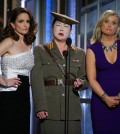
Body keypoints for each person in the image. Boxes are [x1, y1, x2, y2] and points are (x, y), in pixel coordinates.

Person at [31, 12, 88, 134]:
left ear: (70, 31)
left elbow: (86, 79)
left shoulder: (80, 53)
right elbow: (36, 80)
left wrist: (81, 83)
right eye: (58, 25)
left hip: (72, 110)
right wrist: (40, 107)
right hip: (50, 109)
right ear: (52, 28)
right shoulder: (40, 50)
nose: (61, 28)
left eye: (66, 26)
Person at [0, 7, 37, 134]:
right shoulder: (9, 41)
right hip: (8, 95)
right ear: (12, 24)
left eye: (28, 21)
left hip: (24, 95)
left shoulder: (29, 44)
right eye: (21, 21)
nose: (25, 25)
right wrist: (3, 81)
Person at [86, 10, 120, 134]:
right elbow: (91, 79)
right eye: (106, 21)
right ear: (101, 24)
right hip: (100, 103)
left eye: (114, 23)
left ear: (118, 27)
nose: (109, 25)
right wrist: (105, 98)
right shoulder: (92, 49)